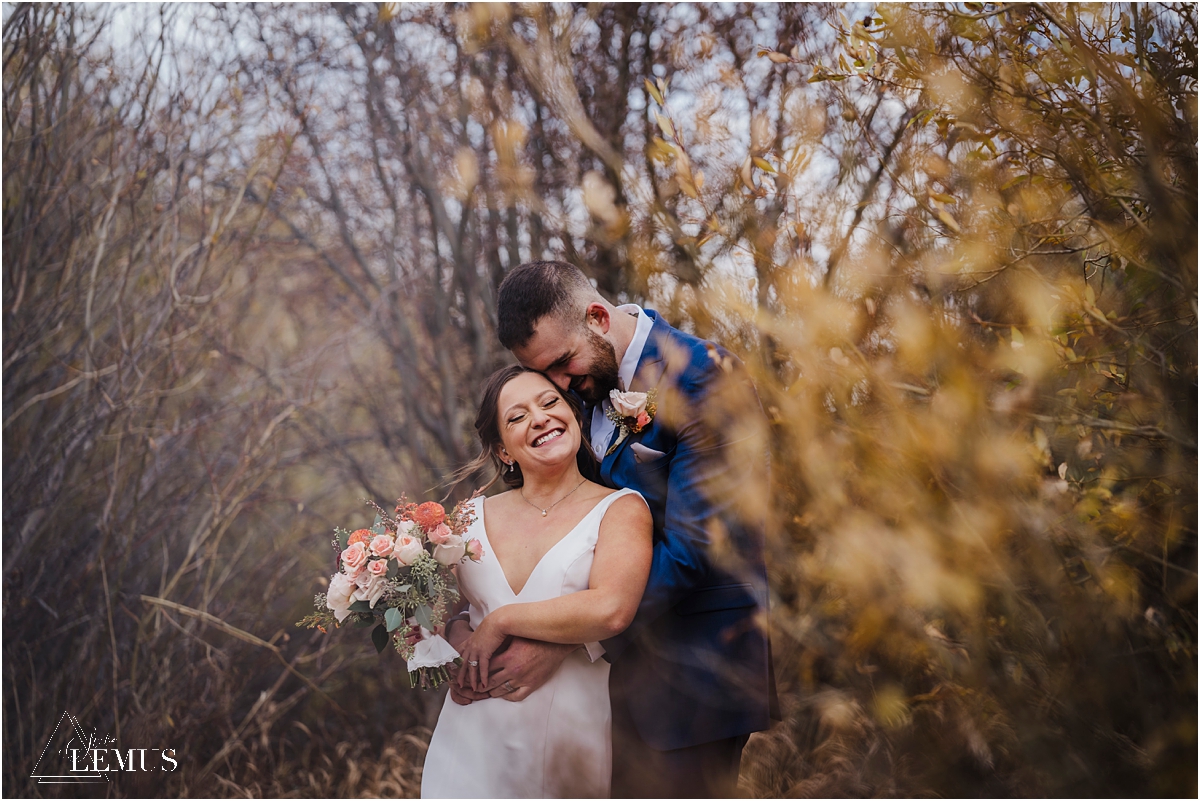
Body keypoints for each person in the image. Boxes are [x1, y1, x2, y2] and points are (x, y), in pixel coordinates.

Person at [455, 259, 778, 798]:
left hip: (692, 676)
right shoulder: (583, 388)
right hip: (610, 688)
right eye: (544, 373)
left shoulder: (703, 375)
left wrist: (570, 642)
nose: (558, 385)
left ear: (599, 318)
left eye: (561, 364)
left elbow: (695, 549)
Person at [420, 365, 653, 798]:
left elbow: (612, 609)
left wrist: (501, 622)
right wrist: (452, 633)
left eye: (549, 403)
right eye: (517, 417)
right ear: (503, 450)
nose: (540, 418)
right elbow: (443, 606)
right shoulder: (469, 516)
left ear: (575, 416)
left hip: (563, 743)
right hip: (468, 737)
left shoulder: (621, 509)